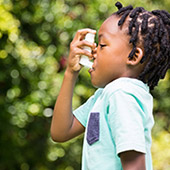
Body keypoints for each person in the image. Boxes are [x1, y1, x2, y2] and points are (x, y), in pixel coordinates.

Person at [50, 2, 170, 170]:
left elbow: (135, 166)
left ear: (134, 56)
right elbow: (61, 131)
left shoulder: (121, 94)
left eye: (102, 45)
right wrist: (71, 72)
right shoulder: (105, 95)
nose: (93, 51)